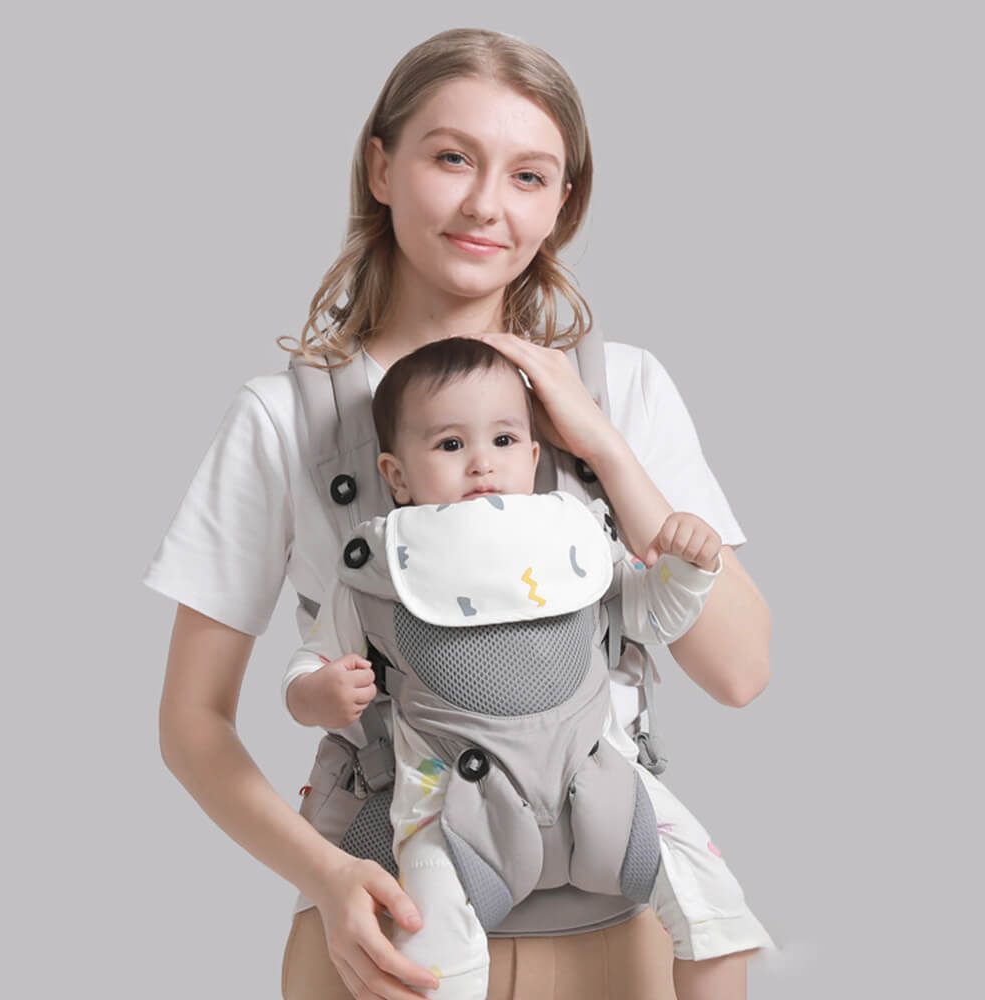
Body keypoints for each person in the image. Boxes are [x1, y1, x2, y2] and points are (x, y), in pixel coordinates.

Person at [146, 27, 772, 1000]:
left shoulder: (626, 390)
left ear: (562, 205)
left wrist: (599, 444)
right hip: (386, 924)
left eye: (530, 176)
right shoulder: (283, 420)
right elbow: (191, 723)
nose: (487, 205)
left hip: (611, 917)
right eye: (451, 158)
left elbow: (738, 670)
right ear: (381, 165)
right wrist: (325, 874)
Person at [280, 337, 772, 999]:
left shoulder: (576, 535)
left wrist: (688, 568)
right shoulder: (381, 565)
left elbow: (651, 618)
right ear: (396, 476)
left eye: (505, 440)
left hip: (600, 779)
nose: (482, 461)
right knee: (427, 956)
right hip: (452, 806)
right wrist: (319, 693)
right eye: (451, 445)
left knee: (714, 906)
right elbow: (309, 662)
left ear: (536, 458)